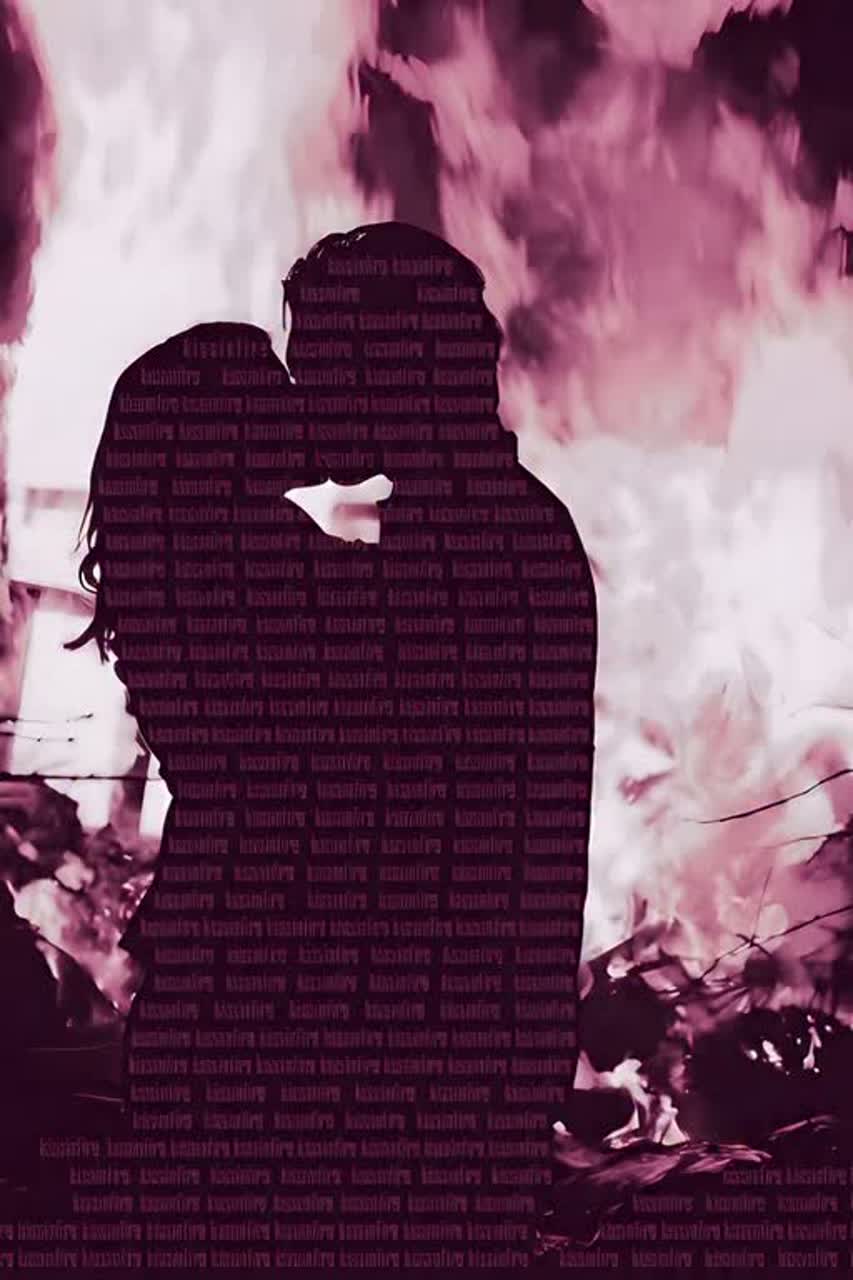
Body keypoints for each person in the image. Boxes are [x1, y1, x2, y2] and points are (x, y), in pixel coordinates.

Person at [69, 223, 597, 1266]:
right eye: (290, 375)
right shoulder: (471, 537)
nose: (305, 397)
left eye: (314, 366)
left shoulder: (466, 550)